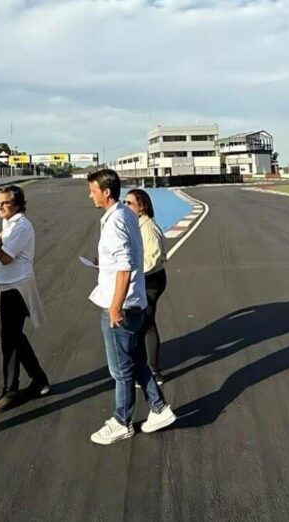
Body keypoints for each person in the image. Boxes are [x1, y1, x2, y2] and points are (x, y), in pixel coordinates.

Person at [86, 169, 176, 445]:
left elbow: (124, 267)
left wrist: (115, 308)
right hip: (133, 300)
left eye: (93, 190)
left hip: (120, 305)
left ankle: (122, 421)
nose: (90, 195)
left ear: (106, 192)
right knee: (134, 358)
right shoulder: (126, 214)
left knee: (120, 369)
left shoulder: (115, 221)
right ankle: (159, 408)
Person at [0, 185, 50, 414]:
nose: (1, 207)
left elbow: (5, 258)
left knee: (10, 341)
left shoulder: (20, 226)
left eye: (6, 203)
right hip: (7, 287)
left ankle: (11, 391)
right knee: (15, 338)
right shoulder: (10, 223)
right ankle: (39, 380)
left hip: (16, 289)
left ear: (18, 204)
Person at [124, 189, 167, 385]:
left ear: (141, 206)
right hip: (145, 278)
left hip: (151, 280)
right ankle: (145, 367)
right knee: (143, 323)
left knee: (147, 323)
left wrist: (130, 270)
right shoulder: (137, 225)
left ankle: (152, 371)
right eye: (125, 202)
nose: (126, 206)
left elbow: (152, 259)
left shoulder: (147, 228)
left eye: (130, 203)